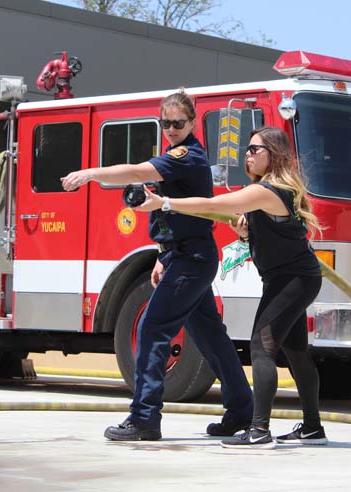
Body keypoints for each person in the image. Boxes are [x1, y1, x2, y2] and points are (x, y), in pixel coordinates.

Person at [61, 89, 253, 441]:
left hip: (192, 258)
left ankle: (145, 417)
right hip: (183, 256)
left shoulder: (186, 156)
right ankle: (242, 410)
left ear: (192, 122)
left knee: (152, 328)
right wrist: (163, 257)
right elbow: (170, 210)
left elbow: (136, 169)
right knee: (211, 336)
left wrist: (89, 173)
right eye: (165, 123)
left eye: (177, 123)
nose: (170, 129)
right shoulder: (175, 156)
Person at [133, 126, 328, 449]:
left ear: (274, 156)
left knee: (261, 348)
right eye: (248, 149)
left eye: (255, 150)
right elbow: (273, 234)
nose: (247, 155)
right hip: (295, 279)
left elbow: (214, 204)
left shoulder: (267, 191)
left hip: (290, 281)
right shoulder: (275, 191)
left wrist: (163, 203)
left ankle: (260, 430)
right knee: (296, 352)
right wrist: (248, 230)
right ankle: (311, 427)